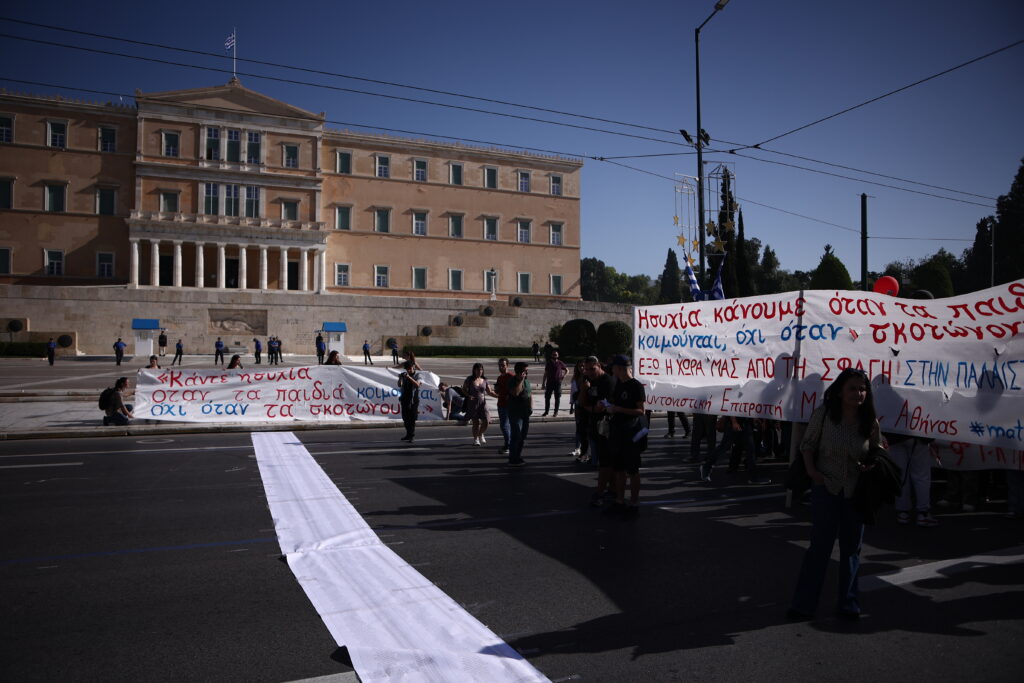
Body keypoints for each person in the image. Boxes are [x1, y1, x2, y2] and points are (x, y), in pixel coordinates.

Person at [788, 368, 884, 621]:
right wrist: (813, 473)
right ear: (840, 391)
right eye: (852, 388)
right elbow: (807, 445)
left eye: (862, 388)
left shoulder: (870, 421)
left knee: (851, 550)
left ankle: (848, 603)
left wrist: (871, 464)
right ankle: (803, 605)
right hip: (827, 489)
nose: (858, 393)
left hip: (855, 493)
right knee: (819, 548)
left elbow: (876, 450)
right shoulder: (825, 415)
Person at [605, 355, 647, 516]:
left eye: (614, 368)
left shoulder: (635, 386)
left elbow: (640, 411)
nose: (613, 371)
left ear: (621, 368)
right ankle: (619, 501)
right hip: (618, 431)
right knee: (618, 469)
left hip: (632, 432)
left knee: (632, 470)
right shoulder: (618, 384)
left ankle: (634, 503)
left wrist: (618, 409)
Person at [886, 432, 939, 527]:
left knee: (901, 475)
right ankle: (923, 513)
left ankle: (903, 512)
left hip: (895, 435)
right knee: (921, 476)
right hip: (918, 435)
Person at [583, 356, 615, 505]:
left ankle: (601, 492)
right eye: (587, 369)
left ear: (599, 366)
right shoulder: (590, 381)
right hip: (596, 425)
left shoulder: (607, 381)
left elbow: (601, 407)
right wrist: (584, 389)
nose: (589, 372)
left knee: (605, 461)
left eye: (592, 369)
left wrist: (593, 408)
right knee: (605, 460)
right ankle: (612, 489)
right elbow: (584, 403)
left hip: (607, 427)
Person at [700, 416, 768, 484]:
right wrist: (734, 422)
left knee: (750, 449)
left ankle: (754, 477)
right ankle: (706, 466)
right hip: (735, 422)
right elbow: (731, 407)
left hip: (745, 422)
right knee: (724, 447)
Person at [463, 362, 497, 446]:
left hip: (483, 403)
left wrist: (498, 396)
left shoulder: (485, 380)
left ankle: (480, 433)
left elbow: (489, 391)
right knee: (476, 422)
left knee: (486, 421)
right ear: (474, 370)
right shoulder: (469, 379)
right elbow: (463, 389)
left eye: (481, 369)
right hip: (473, 404)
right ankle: (476, 439)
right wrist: (468, 395)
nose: (480, 371)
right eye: (478, 369)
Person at [506, 362, 532, 466]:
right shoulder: (512, 381)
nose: (527, 372)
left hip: (525, 413)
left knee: (522, 437)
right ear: (520, 371)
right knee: (516, 436)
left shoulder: (527, 382)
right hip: (515, 413)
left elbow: (530, 395)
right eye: (525, 370)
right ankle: (512, 459)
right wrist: (520, 380)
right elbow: (515, 393)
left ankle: (518, 456)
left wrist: (530, 408)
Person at [494, 358, 515, 454]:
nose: (501, 367)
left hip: (508, 405)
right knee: (506, 426)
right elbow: (498, 390)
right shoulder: (499, 378)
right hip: (500, 404)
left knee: (504, 426)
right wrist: (496, 389)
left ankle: (508, 445)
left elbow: (516, 389)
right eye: (499, 365)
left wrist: (509, 396)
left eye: (503, 365)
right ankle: (509, 444)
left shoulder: (511, 376)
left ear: (507, 366)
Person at [569, 360, 589, 460]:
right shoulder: (575, 378)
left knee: (586, 429)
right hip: (577, 405)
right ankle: (577, 448)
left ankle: (586, 451)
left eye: (583, 366)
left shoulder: (588, 378)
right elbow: (572, 393)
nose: (581, 368)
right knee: (578, 428)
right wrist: (571, 406)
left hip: (585, 406)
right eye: (579, 366)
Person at [398, 359, 422, 443]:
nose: (408, 370)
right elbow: (399, 385)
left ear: (413, 367)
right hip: (405, 399)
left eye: (410, 368)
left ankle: (411, 435)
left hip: (413, 400)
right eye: (407, 369)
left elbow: (417, 384)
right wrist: (400, 378)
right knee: (405, 418)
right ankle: (408, 434)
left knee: (412, 418)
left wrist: (409, 377)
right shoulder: (405, 375)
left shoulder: (418, 375)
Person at [541, 349, 567, 417]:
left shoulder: (560, 363)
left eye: (556, 354)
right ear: (551, 355)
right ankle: (546, 411)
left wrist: (564, 375)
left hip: (557, 383)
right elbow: (545, 374)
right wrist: (543, 383)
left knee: (557, 398)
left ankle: (556, 412)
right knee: (547, 398)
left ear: (558, 355)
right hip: (549, 382)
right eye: (553, 354)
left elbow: (567, 370)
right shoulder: (548, 363)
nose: (554, 355)